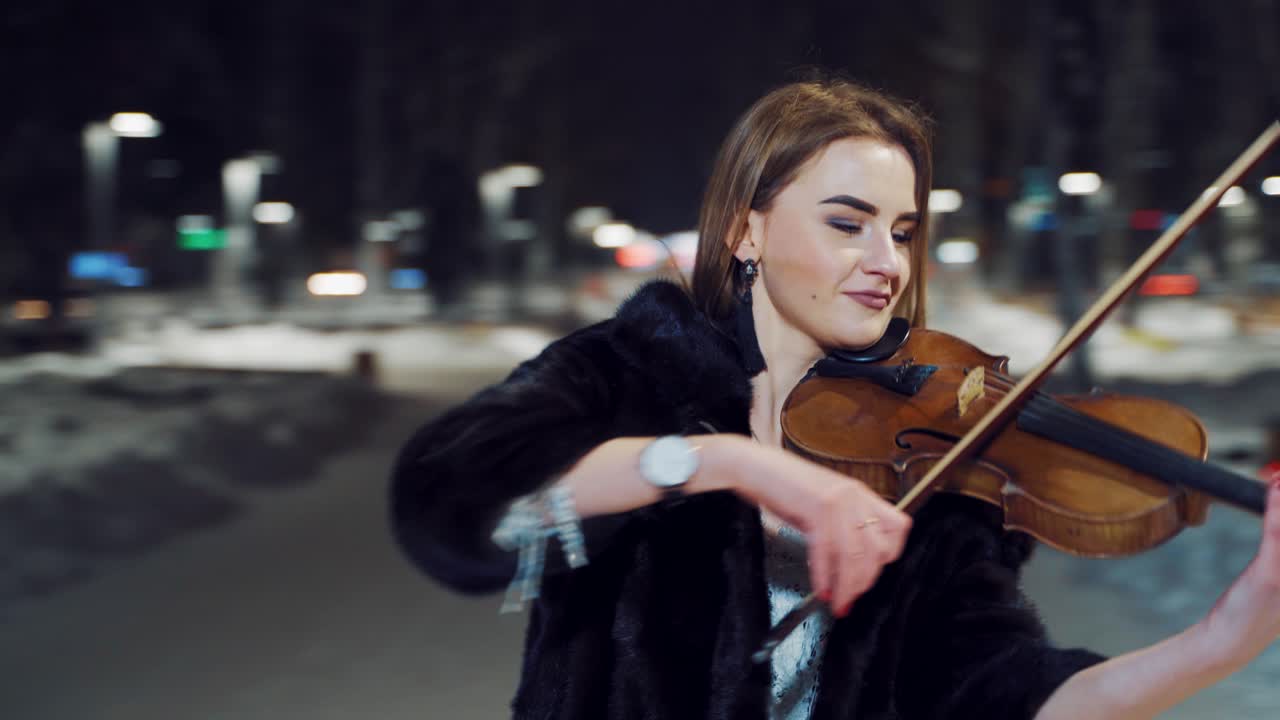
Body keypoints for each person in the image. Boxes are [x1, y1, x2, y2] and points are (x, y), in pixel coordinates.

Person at [390, 78, 1280, 719]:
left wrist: (1224, 641)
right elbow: (454, 509)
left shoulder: (933, 458)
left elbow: (1004, 697)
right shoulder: (623, 375)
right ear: (748, 229)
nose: (887, 262)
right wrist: (721, 461)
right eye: (847, 224)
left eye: (902, 231)